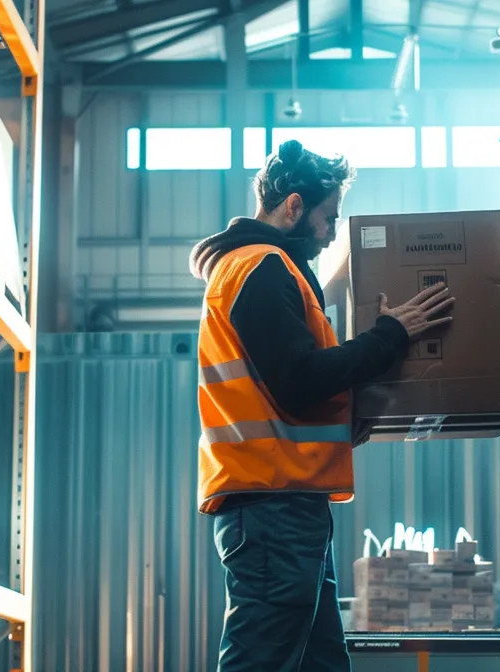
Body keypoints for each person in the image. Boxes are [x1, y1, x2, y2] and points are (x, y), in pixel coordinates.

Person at [189, 140, 455, 671]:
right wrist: (390, 336)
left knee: (321, 664)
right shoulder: (261, 269)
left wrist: (346, 416)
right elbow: (298, 380)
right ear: (293, 206)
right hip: (271, 508)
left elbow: (290, 387)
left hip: (289, 503)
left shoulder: (271, 270)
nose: (333, 231)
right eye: (328, 216)